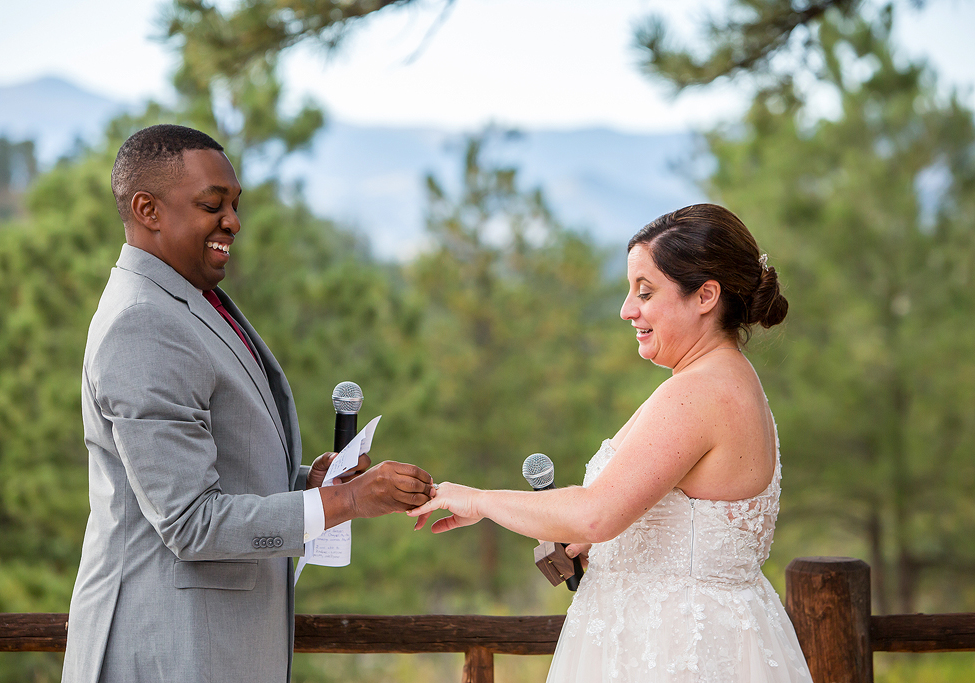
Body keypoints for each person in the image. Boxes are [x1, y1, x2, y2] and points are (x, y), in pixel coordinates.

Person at [62, 124, 434, 683]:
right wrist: (349, 501)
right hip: (167, 649)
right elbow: (191, 522)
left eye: (234, 205)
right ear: (148, 209)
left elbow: (224, 467)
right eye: (213, 205)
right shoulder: (142, 323)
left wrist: (312, 483)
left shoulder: (192, 301)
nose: (233, 222)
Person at [410, 204, 813, 682]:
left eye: (645, 292)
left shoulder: (700, 391)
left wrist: (477, 500)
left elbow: (596, 513)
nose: (627, 310)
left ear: (706, 295)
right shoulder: (726, 380)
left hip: (675, 650)